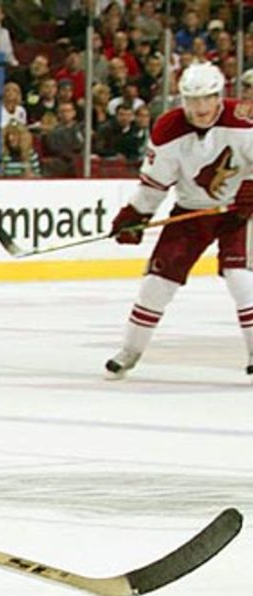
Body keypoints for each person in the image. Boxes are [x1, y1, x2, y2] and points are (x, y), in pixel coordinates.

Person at [105, 63, 253, 380]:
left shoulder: (243, 119)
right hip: (191, 212)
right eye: (191, 100)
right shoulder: (168, 129)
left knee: (241, 278)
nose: (199, 108)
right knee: (156, 284)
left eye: (206, 99)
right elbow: (154, 185)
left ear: (219, 96)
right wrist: (136, 215)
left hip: (239, 214)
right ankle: (129, 352)